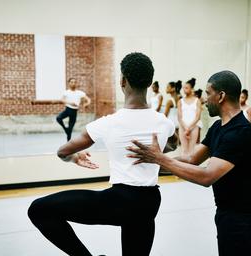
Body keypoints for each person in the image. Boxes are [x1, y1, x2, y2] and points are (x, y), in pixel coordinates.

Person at [28, 52, 176, 256]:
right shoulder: (164, 122)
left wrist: (74, 157)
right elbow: (172, 145)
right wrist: (156, 150)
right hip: (149, 203)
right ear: (150, 82)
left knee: (39, 210)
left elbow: (62, 151)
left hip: (120, 202)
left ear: (123, 81)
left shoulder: (108, 123)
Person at [126, 70, 251, 256]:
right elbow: (192, 159)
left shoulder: (240, 132)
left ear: (221, 96)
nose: (205, 99)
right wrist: (152, 164)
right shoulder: (218, 127)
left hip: (242, 218)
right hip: (225, 214)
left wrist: (160, 159)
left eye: (208, 94)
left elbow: (207, 176)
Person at [177, 78, 202, 156]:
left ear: (192, 89)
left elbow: (198, 116)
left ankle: (190, 167)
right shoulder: (180, 101)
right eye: (183, 88)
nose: (184, 90)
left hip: (194, 126)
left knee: (191, 150)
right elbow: (179, 117)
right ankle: (182, 167)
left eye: (186, 88)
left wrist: (190, 128)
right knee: (184, 149)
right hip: (182, 127)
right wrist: (185, 127)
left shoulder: (197, 101)